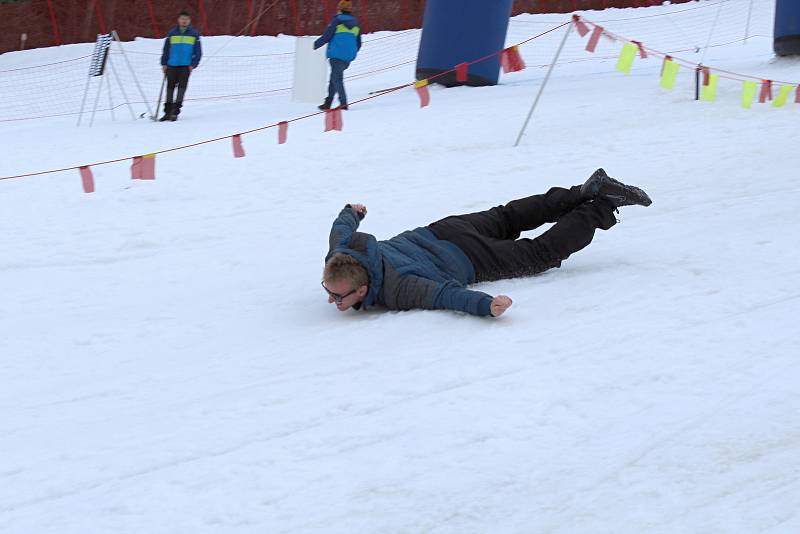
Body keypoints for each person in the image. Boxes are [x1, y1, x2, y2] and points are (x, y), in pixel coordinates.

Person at [322, 169, 652, 318]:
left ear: (362, 291)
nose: (331, 299)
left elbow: (443, 295)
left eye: (336, 295)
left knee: (538, 254)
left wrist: (484, 306)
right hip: (443, 229)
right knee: (507, 217)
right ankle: (582, 192)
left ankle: (598, 205)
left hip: (469, 257)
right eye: (330, 291)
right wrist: (352, 213)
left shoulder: (398, 289)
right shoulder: (342, 251)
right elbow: (340, 228)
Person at [314, 0, 362, 111]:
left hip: (336, 55)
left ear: (340, 9)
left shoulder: (337, 21)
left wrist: (315, 45)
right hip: (348, 57)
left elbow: (327, 36)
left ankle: (343, 103)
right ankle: (328, 103)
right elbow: (359, 43)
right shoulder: (356, 24)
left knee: (337, 79)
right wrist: (351, 51)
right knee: (334, 78)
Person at [159, 10, 202, 121]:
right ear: (178, 20)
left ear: (189, 21)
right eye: (182, 19)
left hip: (185, 66)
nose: (184, 21)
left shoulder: (194, 34)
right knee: (169, 89)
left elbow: (198, 52)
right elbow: (166, 50)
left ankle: (175, 112)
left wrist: (193, 65)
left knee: (181, 89)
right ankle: (167, 112)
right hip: (171, 65)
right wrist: (164, 63)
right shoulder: (172, 33)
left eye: (186, 19)